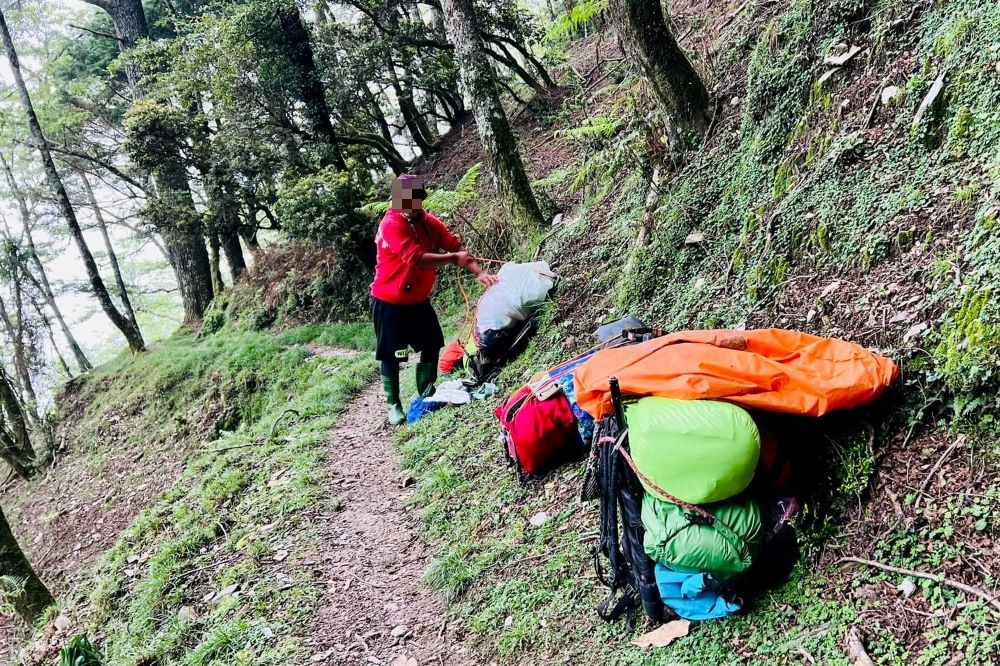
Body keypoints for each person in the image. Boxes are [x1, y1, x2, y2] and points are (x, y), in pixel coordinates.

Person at [370, 174, 499, 425]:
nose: (410, 206)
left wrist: (480, 272)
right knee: (392, 354)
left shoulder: (428, 222)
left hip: (418, 300)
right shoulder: (391, 224)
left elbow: (455, 246)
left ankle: (426, 391)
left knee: (432, 343)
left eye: (414, 200)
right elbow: (416, 258)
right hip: (389, 301)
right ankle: (393, 404)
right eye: (404, 201)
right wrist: (452, 258)